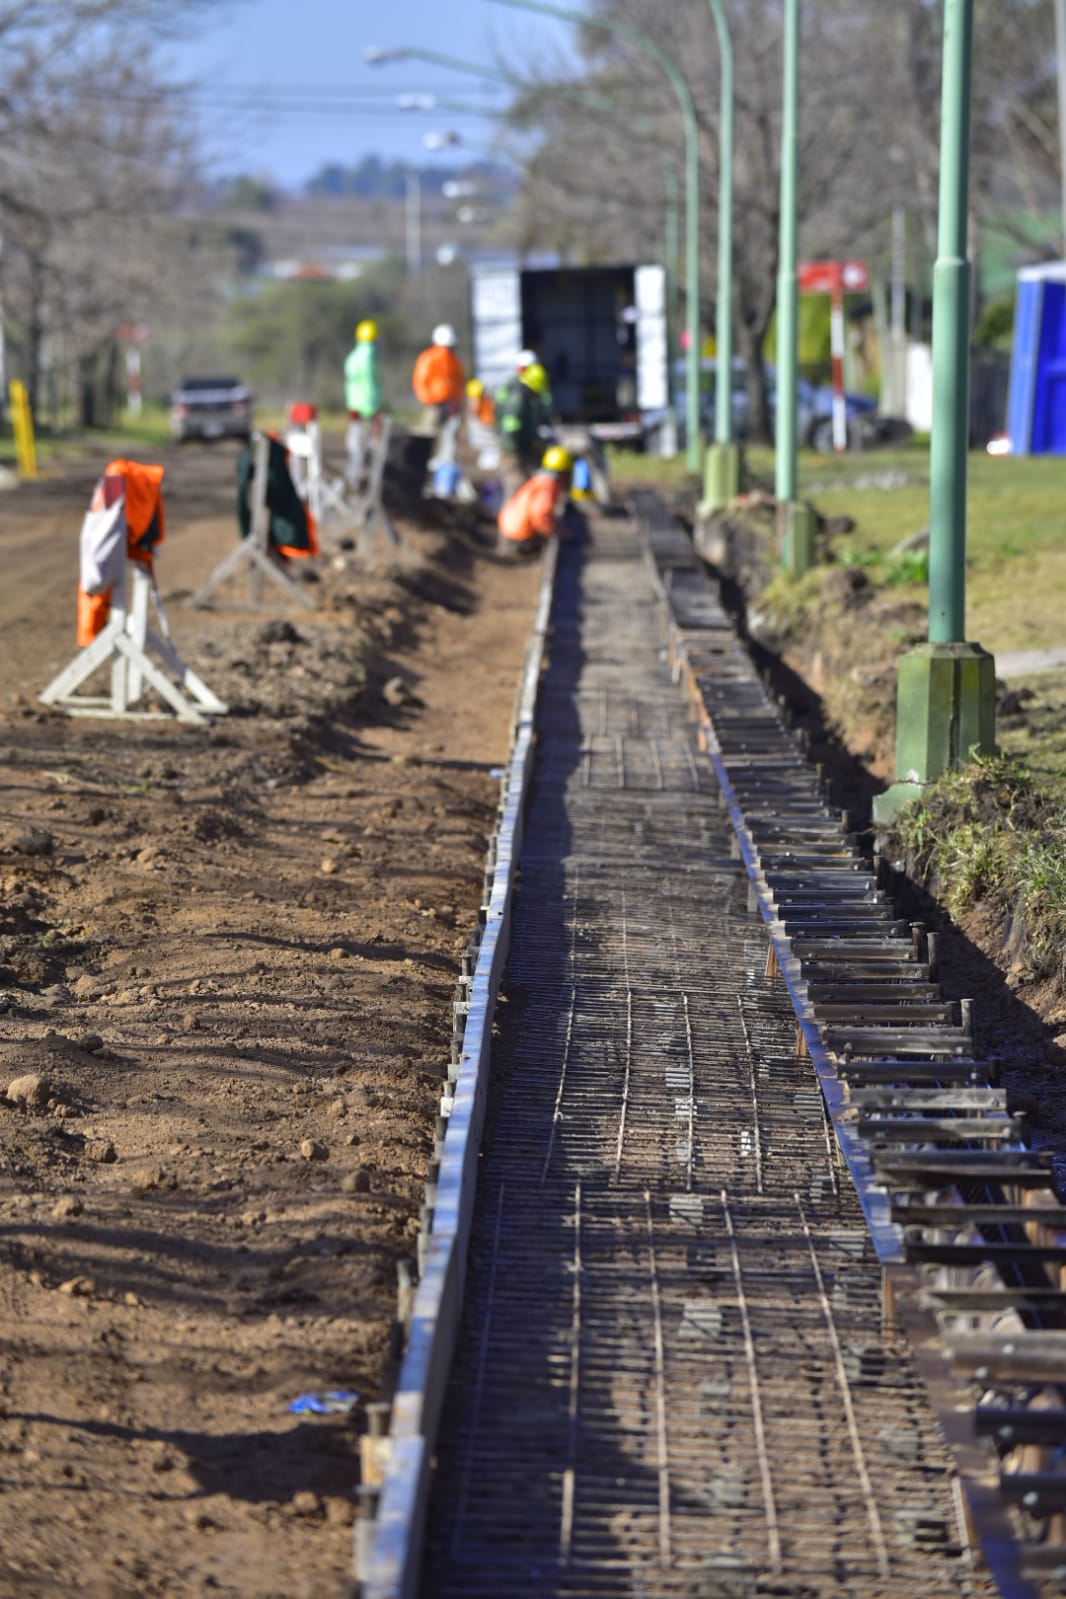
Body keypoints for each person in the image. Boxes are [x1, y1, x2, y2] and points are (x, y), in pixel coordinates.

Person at [496, 444, 574, 560]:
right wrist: (560, 532)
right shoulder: (548, 485)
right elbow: (541, 515)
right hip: (520, 534)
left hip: (511, 528)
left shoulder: (540, 479)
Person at [494, 349, 550, 499]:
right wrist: (521, 449)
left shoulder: (523, 396)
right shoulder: (517, 400)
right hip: (513, 453)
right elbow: (510, 432)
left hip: (519, 450)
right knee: (516, 488)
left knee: (524, 487)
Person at [411, 323, 466, 466]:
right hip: (434, 403)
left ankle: (445, 462)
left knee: (449, 435)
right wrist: (428, 399)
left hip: (450, 403)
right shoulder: (430, 358)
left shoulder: (453, 360)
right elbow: (421, 380)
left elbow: (458, 381)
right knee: (428, 433)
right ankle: (424, 462)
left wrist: (456, 401)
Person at [343, 320, 384, 487]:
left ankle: (352, 479)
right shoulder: (369, 356)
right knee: (369, 448)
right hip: (368, 409)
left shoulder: (352, 356)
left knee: (355, 445)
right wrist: (374, 406)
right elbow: (370, 383)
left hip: (353, 407)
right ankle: (361, 481)